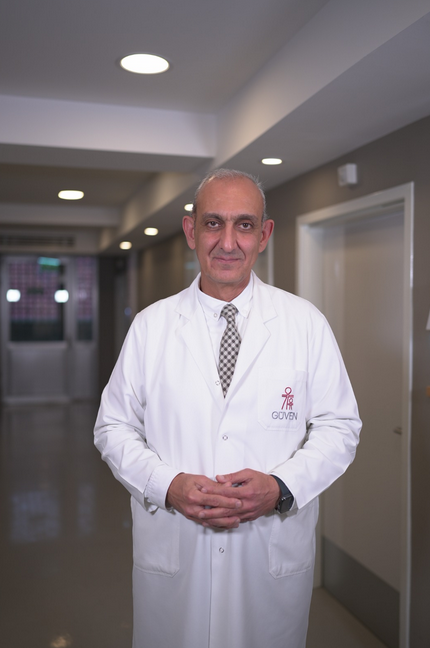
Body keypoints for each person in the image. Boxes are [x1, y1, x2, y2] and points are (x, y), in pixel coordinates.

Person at [94, 168, 361, 648]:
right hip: (177, 549)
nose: (228, 242)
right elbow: (112, 426)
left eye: (245, 225)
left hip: (267, 555)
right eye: (213, 223)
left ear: (265, 234)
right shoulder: (152, 327)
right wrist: (167, 485)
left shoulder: (305, 324)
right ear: (191, 230)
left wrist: (281, 487)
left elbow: (339, 426)